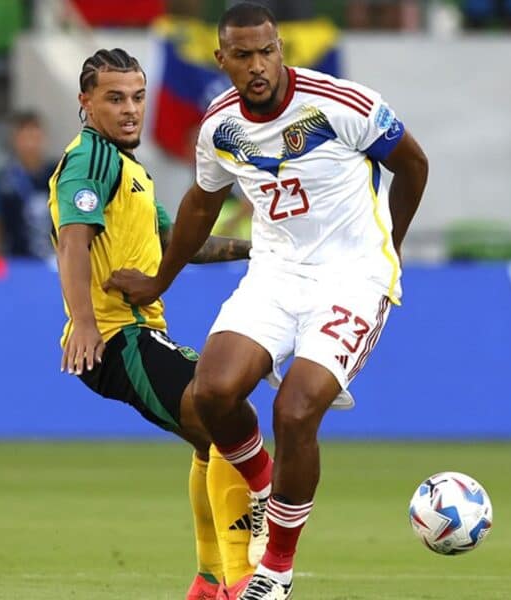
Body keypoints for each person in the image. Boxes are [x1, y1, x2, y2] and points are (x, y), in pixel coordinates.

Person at [107, 4, 429, 599]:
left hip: (352, 278)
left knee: (296, 411)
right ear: (221, 58)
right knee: (211, 393)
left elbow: (413, 164)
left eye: (267, 51)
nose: (258, 66)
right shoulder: (219, 126)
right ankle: (262, 484)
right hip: (275, 274)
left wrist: (392, 246)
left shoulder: (341, 105)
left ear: (281, 48)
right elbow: (201, 205)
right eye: (244, 55)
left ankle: (275, 570)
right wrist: (159, 283)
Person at [50, 48, 263, 599]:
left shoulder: (129, 170)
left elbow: (180, 244)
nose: (130, 110)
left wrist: (255, 246)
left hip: (142, 336)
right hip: (119, 338)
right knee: (227, 425)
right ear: (85, 102)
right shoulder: (90, 161)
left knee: (211, 436)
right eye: (115, 98)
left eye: (137, 97)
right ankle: (240, 580)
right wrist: (85, 323)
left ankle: (210, 581)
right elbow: (74, 243)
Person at [0, 111, 55, 259]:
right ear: (15, 140)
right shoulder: (3, 179)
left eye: (34, 137)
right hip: (17, 260)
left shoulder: (58, 174)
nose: (30, 144)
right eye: (25, 138)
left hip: (53, 260)